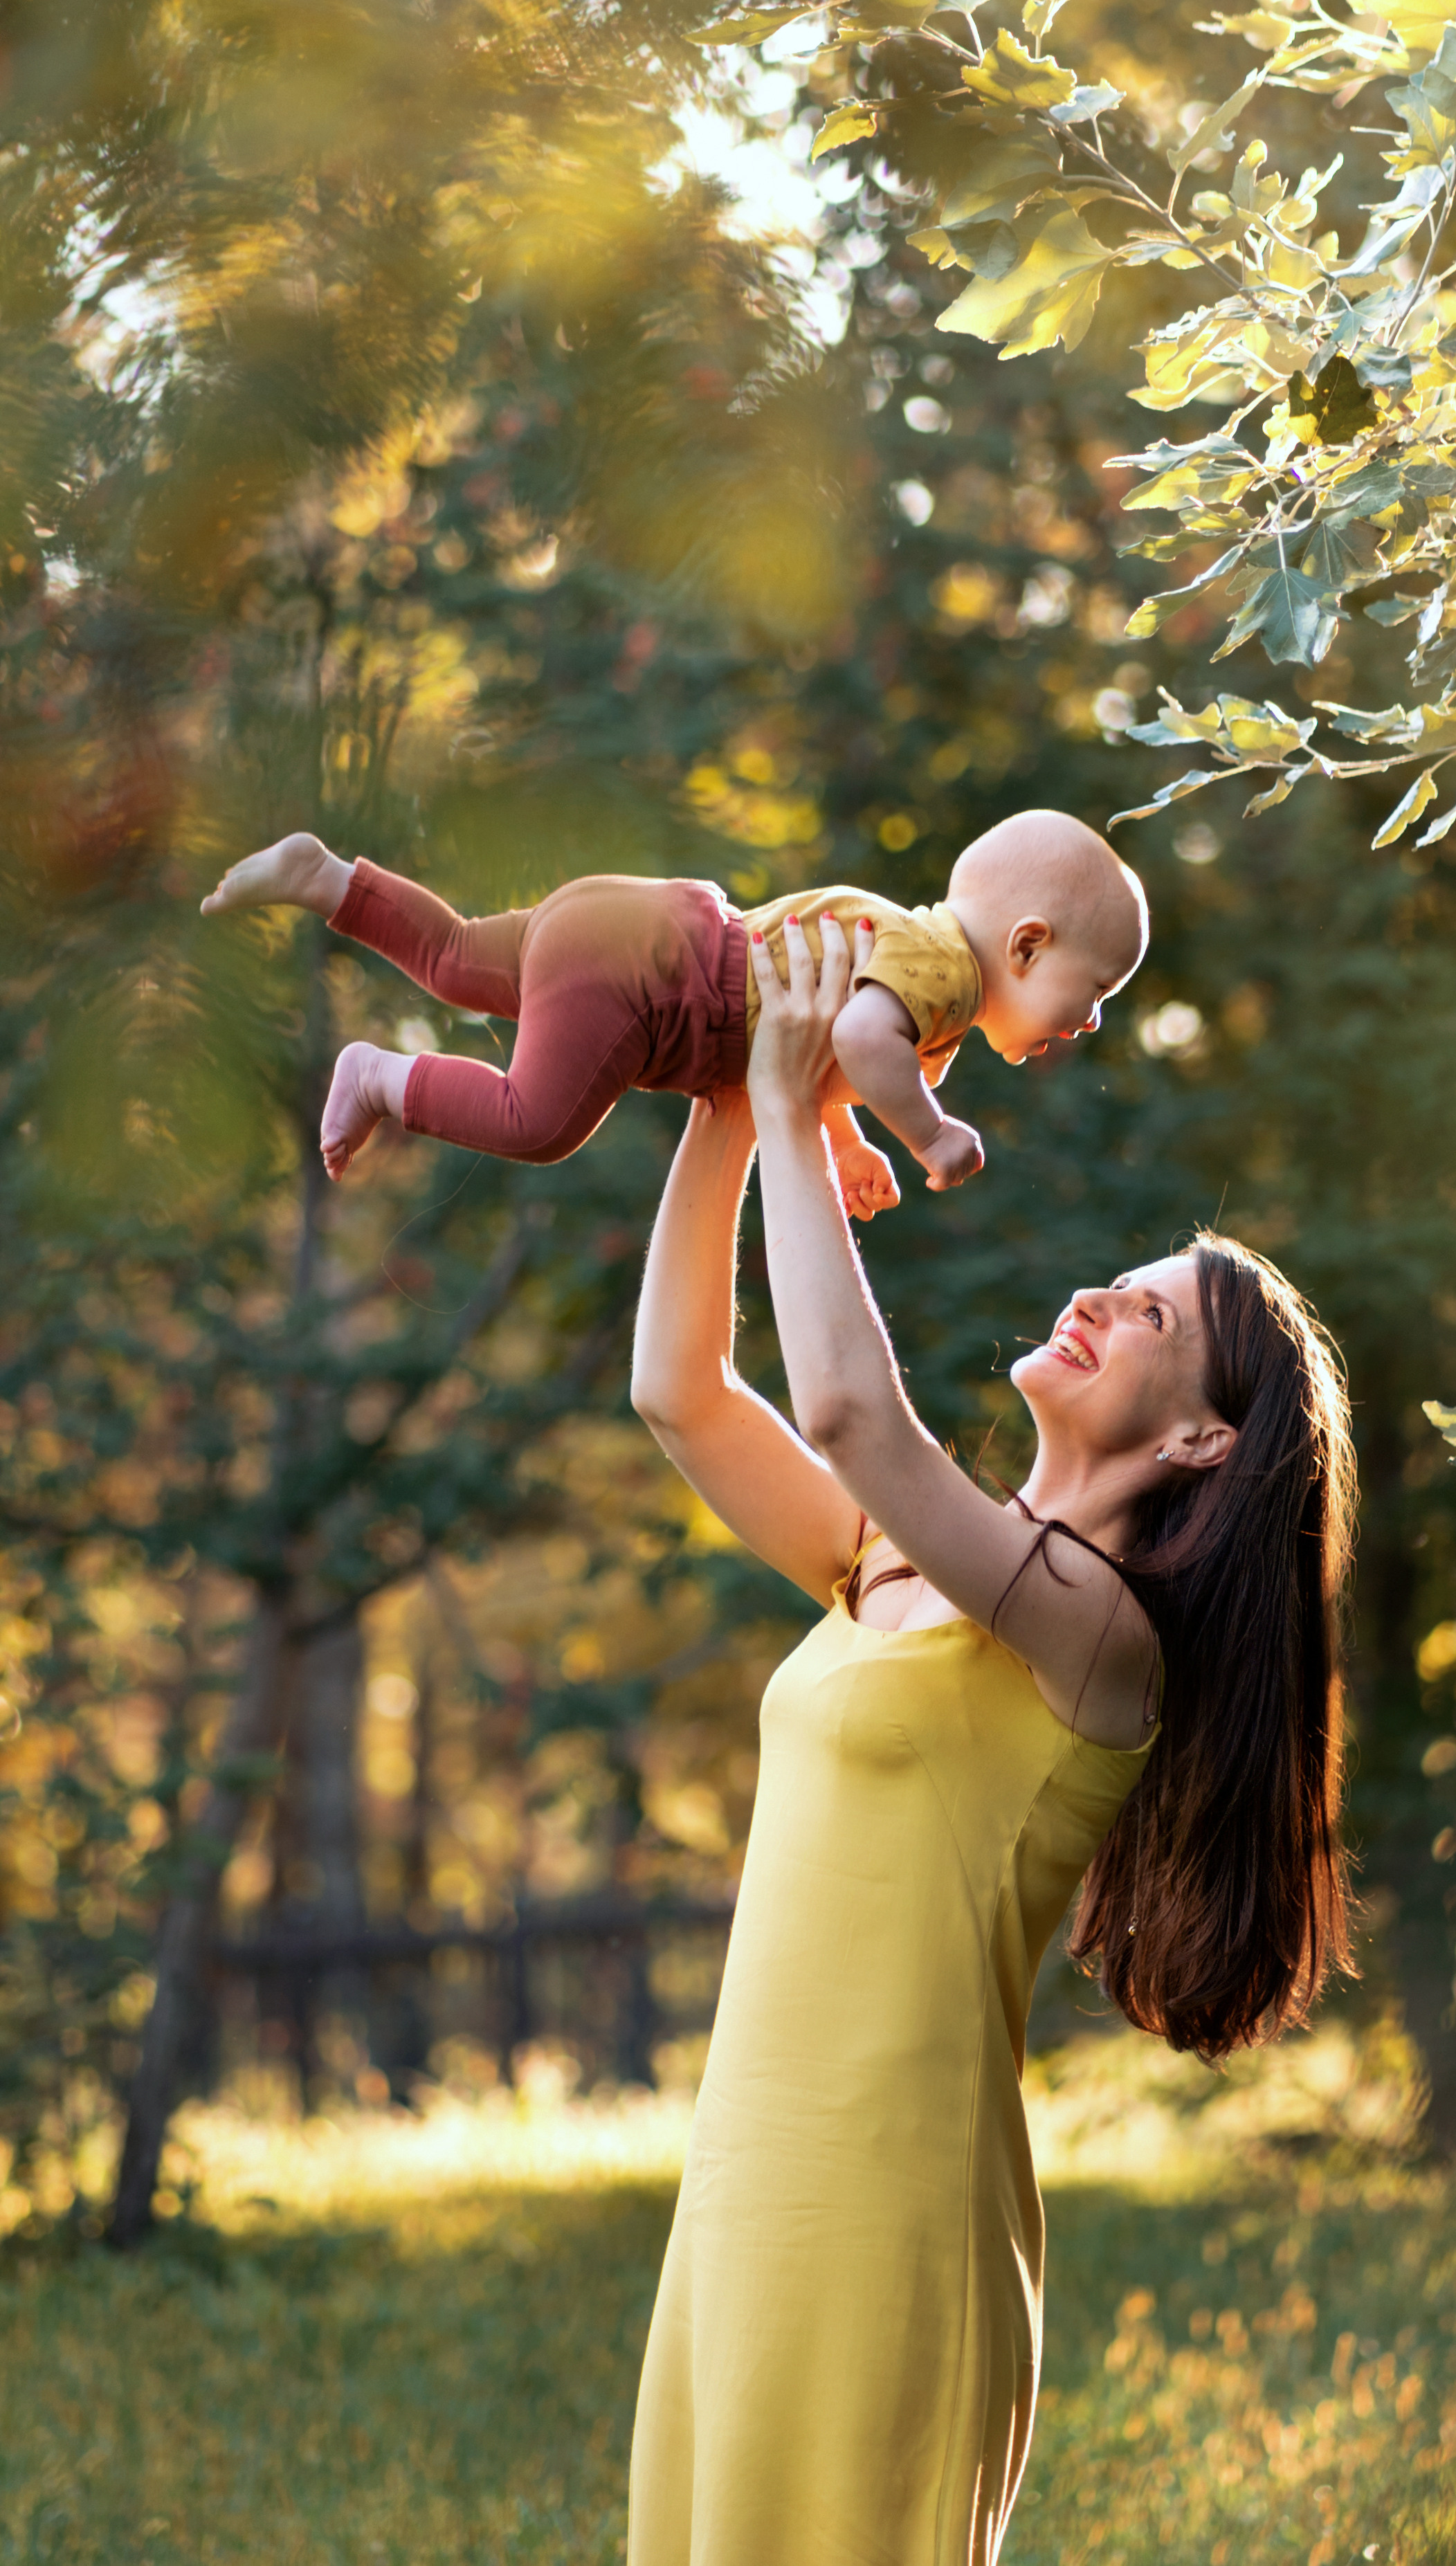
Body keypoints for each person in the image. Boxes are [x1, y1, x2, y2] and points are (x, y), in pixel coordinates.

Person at [624, 915, 1356, 2564]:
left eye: (1155, 1317)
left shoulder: (1103, 1646)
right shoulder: (890, 1561)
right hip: (745, 2192)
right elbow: (682, 1389)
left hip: (887, 2225)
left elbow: (850, 1415)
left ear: (1200, 1437)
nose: (1100, 1294)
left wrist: (793, 1091)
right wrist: (731, 1114)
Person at [198, 809, 1147, 1216]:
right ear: (1025, 946)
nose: (1093, 1023)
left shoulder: (912, 960)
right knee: (539, 1123)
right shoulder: (944, 973)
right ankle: (380, 1076)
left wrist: (850, 1145)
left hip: (636, 923)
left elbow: (824, 1056)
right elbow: (855, 1037)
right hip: (655, 985)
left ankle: (327, 878)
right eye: (1095, 992)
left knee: (454, 960)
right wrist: (929, 1137)